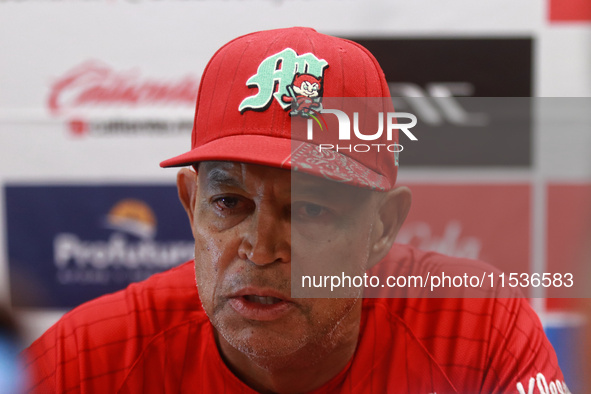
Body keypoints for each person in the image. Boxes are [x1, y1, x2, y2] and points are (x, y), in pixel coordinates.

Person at [21, 27, 568, 393]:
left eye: (309, 210)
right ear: (191, 206)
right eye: (229, 203)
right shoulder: (88, 359)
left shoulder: (477, 328)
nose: (260, 249)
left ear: (381, 228)